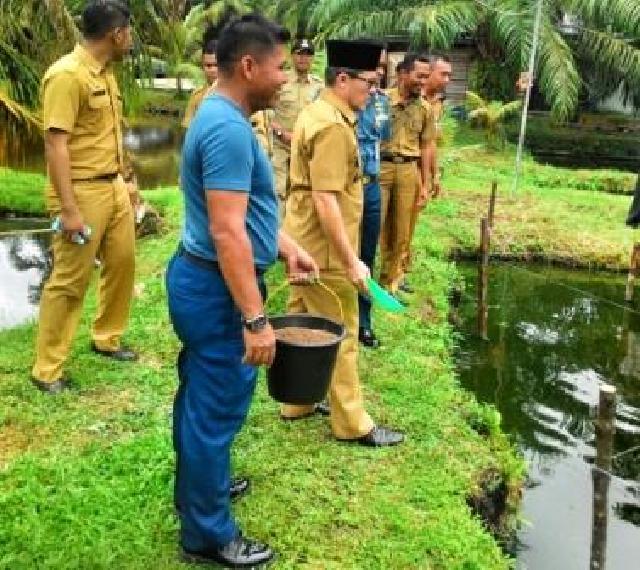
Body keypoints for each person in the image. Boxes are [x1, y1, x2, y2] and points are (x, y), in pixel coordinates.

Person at [165, 13, 319, 567]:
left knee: (199, 399)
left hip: (203, 278)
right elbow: (228, 231)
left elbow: (243, 213)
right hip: (216, 289)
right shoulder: (229, 129)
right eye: (279, 67)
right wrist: (255, 318)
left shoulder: (222, 112)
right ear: (249, 66)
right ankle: (207, 535)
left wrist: (283, 245)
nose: (285, 78)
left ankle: (198, 492)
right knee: (216, 409)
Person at [280, 39, 404, 447]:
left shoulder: (318, 112)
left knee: (300, 319)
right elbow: (325, 198)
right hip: (324, 247)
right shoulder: (333, 126)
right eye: (369, 82)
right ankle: (352, 424)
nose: (375, 90)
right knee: (341, 328)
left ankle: (297, 401)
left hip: (302, 236)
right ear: (344, 78)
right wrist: (351, 260)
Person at [31, 0, 138, 395]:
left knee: (123, 262)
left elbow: (109, 132)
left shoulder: (106, 74)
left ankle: (107, 336)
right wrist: (69, 209)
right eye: (129, 32)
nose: (131, 40)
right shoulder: (66, 76)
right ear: (116, 34)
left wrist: (127, 179)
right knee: (70, 280)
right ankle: (47, 369)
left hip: (112, 186)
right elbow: (55, 145)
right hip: (81, 190)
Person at [379, 53, 434, 295]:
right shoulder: (380, 101)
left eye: (426, 77)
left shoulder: (425, 108)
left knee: (403, 229)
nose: (423, 82)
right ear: (402, 74)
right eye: (419, 76)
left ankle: (391, 281)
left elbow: (427, 146)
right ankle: (366, 277)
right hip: (382, 167)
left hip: (409, 169)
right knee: (375, 223)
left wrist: (426, 183)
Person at [357, 53, 390, 349]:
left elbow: (383, 137)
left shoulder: (382, 101)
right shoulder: (338, 104)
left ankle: (363, 322)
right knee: (340, 254)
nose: (377, 77)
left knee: (367, 255)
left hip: (372, 185)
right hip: (347, 187)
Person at [270, 38, 323, 217]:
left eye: (308, 54)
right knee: (278, 191)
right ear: (292, 56)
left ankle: (295, 236)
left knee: (301, 192)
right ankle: (276, 237)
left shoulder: (319, 86)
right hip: (280, 146)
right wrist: (280, 132)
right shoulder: (280, 80)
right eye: (300, 54)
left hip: (305, 148)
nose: (303, 58)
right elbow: (267, 111)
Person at [423, 54, 452, 199]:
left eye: (449, 75)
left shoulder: (438, 102)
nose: (447, 80)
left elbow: (431, 140)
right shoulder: (411, 98)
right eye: (443, 74)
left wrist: (434, 175)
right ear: (429, 72)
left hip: (423, 168)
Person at [182, 35, 218, 128]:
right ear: (202, 66)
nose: (213, 70)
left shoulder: (239, 95)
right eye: (208, 65)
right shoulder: (197, 96)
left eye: (216, 65)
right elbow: (188, 127)